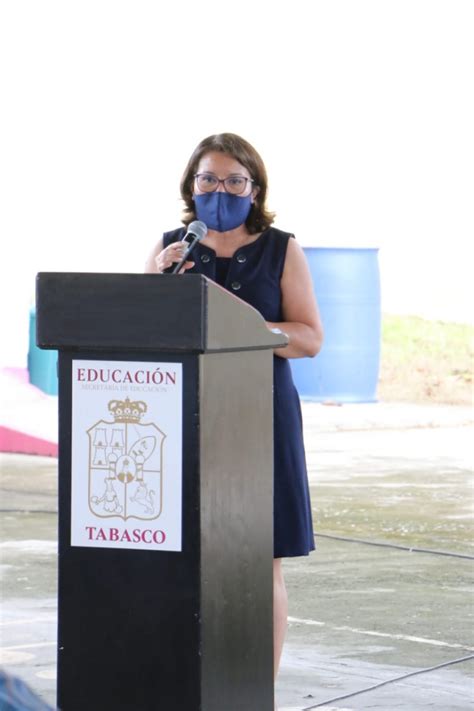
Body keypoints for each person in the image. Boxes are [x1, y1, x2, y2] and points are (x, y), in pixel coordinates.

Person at [145, 132, 323, 688]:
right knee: (187, 554)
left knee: (259, 557)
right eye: (207, 180)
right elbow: (139, 332)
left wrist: (249, 329)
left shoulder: (280, 248)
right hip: (186, 419)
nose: (219, 190)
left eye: (233, 181)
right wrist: (154, 281)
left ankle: (257, 690)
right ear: (190, 186)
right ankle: (188, 681)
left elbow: (309, 337)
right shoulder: (174, 247)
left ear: (255, 187)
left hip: (261, 417)